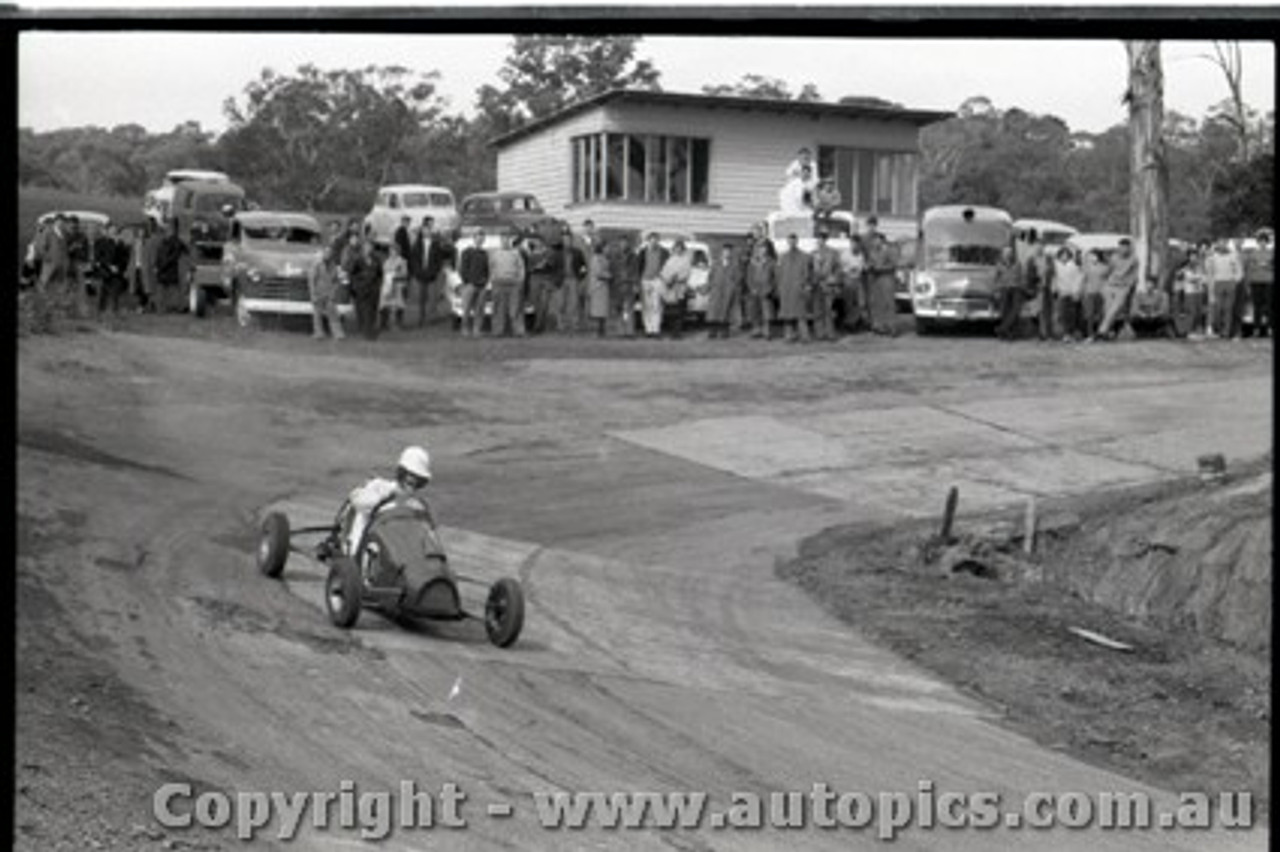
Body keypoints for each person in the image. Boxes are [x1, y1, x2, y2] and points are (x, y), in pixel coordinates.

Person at [342, 446, 436, 572]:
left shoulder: (417, 504)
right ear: (402, 472)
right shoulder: (381, 486)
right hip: (369, 546)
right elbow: (357, 500)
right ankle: (356, 565)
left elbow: (429, 532)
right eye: (410, 474)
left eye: (417, 477)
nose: (412, 479)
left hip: (403, 557)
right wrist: (384, 497)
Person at [1095, 239, 1139, 341]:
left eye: (1124, 247)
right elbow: (1109, 270)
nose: (1122, 249)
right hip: (1110, 285)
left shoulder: (1134, 259)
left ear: (1129, 248)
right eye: (1120, 247)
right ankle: (1108, 332)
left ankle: (1101, 332)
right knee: (1108, 309)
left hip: (1123, 288)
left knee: (1114, 309)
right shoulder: (1114, 257)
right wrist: (1102, 277)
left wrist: (1130, 286)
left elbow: (1134, 275)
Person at [488, 232, 527, 337]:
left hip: (514, 284)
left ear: (509, 240)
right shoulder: (494, 253)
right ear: (501, 241)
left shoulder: (516, 253)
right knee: (498, 309)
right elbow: (490, 267)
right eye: (503, 239)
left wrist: (521, 280)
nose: (505, 241)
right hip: (499, 283)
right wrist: (493, 279)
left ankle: (518, 331)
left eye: (507, 239)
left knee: (515, 308)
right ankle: (497, 331)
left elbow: (521, 268)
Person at [776, 233, 811, 343]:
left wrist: (805, 285)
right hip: (786, 289)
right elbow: (779, 273)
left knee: (801, 313)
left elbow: (807, 273)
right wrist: (780, 287)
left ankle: (804, 336)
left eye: (794, 241)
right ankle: (789, 335)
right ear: (787, 242)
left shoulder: (804, 257)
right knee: (787, 314)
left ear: (797, 241)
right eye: (790, 241)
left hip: (798, 288)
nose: (792, 243)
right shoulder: (783, 257)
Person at [1205, 239, 1243, 340]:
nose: (1222, 245)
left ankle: (1226, 332)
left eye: (1223, 243)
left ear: (1226, 244)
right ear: (1217, 245)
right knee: (1218, 308)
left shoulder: (1233, 256)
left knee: (1228, 309)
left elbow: (1239, 271)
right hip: (1218, 283)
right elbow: (1209, 271)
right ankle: (1218, 329)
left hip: (1229, 283)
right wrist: (1211, 285)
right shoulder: (1213, 257)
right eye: (1219, 243)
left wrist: (1235, 280)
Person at [864, 231, 898, 336]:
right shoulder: (872, 252)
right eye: (874, 240)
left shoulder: (889, 250)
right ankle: (880, 326)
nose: (875, 242)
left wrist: (881, 268)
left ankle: (891, 327)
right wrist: (868, 267)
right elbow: (869, 263)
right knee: (878, 304)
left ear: (882, 240)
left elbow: (893, 265)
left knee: (889, 303)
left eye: (877, 240)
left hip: (887, 278)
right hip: (875, 279)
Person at [348, 235, 383, 340]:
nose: (368, 248)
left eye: (370, 246)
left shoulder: (376, 259)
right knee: (364, 311)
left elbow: (380, 274)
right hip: (361, 289)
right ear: (363, 248)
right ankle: (367, 333)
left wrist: (378, 285)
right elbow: (352, 274)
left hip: (374, 289)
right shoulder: (358, 259)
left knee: (373, 311)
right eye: (366, 246)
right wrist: (357, 285)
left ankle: (370, 330)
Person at [704, 242, 741, 339]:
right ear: (722, 252)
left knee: (726, 311)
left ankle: (724, 331)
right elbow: (710, 277)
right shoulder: (716, 263)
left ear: (731, 253)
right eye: (725, 251)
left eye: (729, 251)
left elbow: (738, 278)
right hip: (716, 290)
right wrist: (711, 287)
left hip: (728, 291)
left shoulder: (735, 264)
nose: (727, 253)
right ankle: (712, 331)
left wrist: (733, 287)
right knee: (713, 311)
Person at [309, 246, 346, 340]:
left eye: (330, 253)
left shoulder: (334, 266)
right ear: (323, 253)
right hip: (319, 292)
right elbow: (312, 280)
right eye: (326, 252)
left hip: (330, 293)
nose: (328, 254)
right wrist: (313, 294)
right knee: (317, 315)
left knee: (333, 314)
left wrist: (334, 291)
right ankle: (319, 333)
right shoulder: (317, 264)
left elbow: (337, 280)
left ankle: (338, 334)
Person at [457, 230, 490, 338]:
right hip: (470, 285)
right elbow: (463, 269)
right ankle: (465, 329)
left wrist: (485, 281)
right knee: (466, 309)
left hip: (482, 286)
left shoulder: (485, 253)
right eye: (478, 237)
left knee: (479, 310)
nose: (480, 239)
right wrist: (467, 282)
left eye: (482, 237)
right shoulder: (467, 252)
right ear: (474, 238)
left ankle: (477, 330)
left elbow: (487, 270)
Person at [811, 230, 842, 341]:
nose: (820, 241)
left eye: (822, 239)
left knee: (828, 310)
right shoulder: (813, 253)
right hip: (816, 285)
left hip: (829, 285)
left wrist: (833, 280)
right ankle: (820, 333)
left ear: (826, 240)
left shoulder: (833, 253)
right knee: (817, 310)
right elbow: (810, 270)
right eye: (818, 239)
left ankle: (830, 333)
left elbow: (838, 269)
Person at [524, 235, 560, 334]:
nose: (536, 243)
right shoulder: (531, 254)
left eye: (537, 241)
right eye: (534, 241)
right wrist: (538, 266)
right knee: (534, 302)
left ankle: (540, 326)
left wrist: (544, 264)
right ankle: (534, 325)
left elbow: (551, 264)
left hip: (545, 278)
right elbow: (530, 268)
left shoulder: (548, 252)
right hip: (534, 278)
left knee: (544, 303)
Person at [659, 240, 693, 339]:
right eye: (676, 248)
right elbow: (664, 271)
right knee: (671, 311)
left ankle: (677, 333)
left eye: (680, 248)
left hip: (680, 288)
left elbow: (686, 274)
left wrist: (676, 278)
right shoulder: (670, 260)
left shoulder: (686, 260)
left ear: (683, 249)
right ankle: (671, 331)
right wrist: (666, 279)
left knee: (679, 311)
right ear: (674, 249)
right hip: (669, 288)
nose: (678, 250)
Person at [638, 232, 670, 338]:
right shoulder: (643, 252)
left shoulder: (664, 252)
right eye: (651, 240)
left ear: (658, 241)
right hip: (645, 280)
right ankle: (648, 329)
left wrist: (664, 278)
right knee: (647, 306)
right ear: (648, 241)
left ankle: (656, 329)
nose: (654, 243)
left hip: (657, 280)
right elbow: (638, 267)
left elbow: (667, 266)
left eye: (656, 240)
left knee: (657, 305)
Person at [608, 234, 640, 337]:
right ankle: (620, 331)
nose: (623, 244)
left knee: (629, 309)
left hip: (629, 284)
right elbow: (611, 270)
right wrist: (612, 283)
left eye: (625, 242)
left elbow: (636, 270)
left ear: (628, 243)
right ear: (618, 243)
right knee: (618, 309)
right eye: (621, 242)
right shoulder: (614, 256)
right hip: (617, 285)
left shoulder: (633, 256)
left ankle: (629, 331)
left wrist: (635, 284)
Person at [93, 223, 128, 317]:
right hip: (103, 272)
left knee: (115, 294)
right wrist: (109, 266)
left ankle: (114, 312)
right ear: (107, 231)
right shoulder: (100, 242)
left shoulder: (120, 243)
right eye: (112, 230)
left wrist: (119, 268)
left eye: (115, 231)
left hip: (116, 273)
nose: (114, 232)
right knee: (101, 295)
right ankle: (100, 313)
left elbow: (124, 258)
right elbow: (98, 258)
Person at [557, 224, 587, 333]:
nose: (566, 241)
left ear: (571, 239)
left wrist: (581, 277)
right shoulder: (558, 253)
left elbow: (584, 267)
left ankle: (575, 325)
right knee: (561, 303)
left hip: (574, 279)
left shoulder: (578, 252)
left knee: (574, 303)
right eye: (564, 239)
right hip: (561, 280)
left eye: (568, 239)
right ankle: (561, 325)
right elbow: (553, 266)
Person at [154, 219, 189, 314]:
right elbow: (178, 254)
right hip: (168, 268)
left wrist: (160, 266)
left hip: (167, 269)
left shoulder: (172, 241)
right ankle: (169, 308)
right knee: (168, 289)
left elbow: (174, 255)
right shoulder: (169, 241)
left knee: (167, 289)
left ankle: (167, 308)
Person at [1050, 246, 1084, 341]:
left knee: (1072, 314)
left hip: (1072, 292)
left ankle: (1071, 333)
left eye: (1066, 255)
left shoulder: (1073, 266)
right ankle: (1065, 333)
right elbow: (1054, 279)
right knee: (1062, 314)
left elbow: (1078, 280)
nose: (1064, 257)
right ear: (1059, 256)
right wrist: (1054, 290)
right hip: (1061, 293)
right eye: (1062, 255)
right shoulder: (1055, 266)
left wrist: (1076, 292)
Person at [1173, 248, 1207, 338]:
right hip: (1189, 292)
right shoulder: (1184, 267)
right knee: (1191, 312)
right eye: (1192, 256)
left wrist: (1199, 280)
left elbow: (1203, 278)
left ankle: (1197, 330)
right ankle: (1189, 331)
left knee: (1199, 312)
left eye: (1195, 256)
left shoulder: (1200, 267)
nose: (1194, 258)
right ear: (1188, 257)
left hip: (1199, 292)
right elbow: (1179, 277)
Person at [746, 241, 777, 339]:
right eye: (759, 248)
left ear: (767, 249)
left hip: (766, 289)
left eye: (763, 248)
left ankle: (767, 331)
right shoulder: (752, 262)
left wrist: (771, 288)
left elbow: (775, 277)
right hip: (755, 290)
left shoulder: (771, 262)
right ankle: (756, 330)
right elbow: (749, 277)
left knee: (767, 312)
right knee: (755, 311)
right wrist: (751, 288)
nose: (761, 250)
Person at [1244, 231, 1273, 338]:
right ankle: (1256, 328)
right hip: (1255, 281)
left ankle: (1270, 328)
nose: (1262, 243)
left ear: (1267, 242)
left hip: (1268, 281)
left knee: (1269, 306)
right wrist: (1260, 265)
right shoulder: (1253, 253)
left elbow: (1271, 266)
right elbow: (1250, 267)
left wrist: (1266, 265)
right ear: (1258, 242)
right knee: (1257, 306)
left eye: (1264, 241)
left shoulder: (1271, 253)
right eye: (1260, 241)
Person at [993, 246, 1023, 342]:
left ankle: (1002, 329)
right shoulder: (999, 265)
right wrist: (997, 290)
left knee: (1016, 309)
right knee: (1005, 310)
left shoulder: (1017, 264)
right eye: (1006, 252)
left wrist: (1021, 286)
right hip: (1004, 288)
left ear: (1012, 254)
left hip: (1015, 288)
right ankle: (1008, 333)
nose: (1008, 254)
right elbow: (996, 279)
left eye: (1010, 252)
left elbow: (1021, 276)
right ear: (1003, 254)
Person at [379, 241, 409, 331]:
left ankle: (398, 324)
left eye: (394, 251)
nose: (392, 252)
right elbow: (383, 272)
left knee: (398, 304)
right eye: (390, 251)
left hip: (397, 285)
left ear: (397, 251)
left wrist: (395, 274)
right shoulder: (386, 261)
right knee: (384, 303)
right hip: (387, 285)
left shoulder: (402, 261)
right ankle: (384, 323)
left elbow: (405, 274)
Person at [587, 241, 612, 337]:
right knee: (599, 309)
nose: (608, 250)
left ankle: (602, 329)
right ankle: (599, 330)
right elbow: (598, 273)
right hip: (598, 286)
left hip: (603, 286)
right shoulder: (596, 258)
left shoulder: (604, 258)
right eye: (607, 248)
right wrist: (609, 276)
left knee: (603, 309)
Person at [1081, 249, 1108, 340]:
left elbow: (1107, 278)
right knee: (1090, 315)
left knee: (1101, 314)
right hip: (1089, 293)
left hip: (1101, 292)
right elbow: (1083, 279)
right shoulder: (1086, 267)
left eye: (1093, 255)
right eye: (1090, 256)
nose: (1092, 257)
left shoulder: (1104, 267)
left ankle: (1101, 334)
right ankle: (1090, 334)